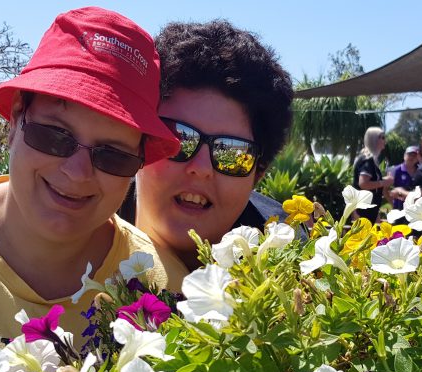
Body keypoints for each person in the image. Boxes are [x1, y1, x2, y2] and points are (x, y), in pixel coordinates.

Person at [0, 7, 189, 342]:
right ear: (16, 120)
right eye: (54, 136)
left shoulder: (164, 292)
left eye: (113, 156)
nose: (77, 173)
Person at [118, 20, 293, 271]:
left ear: (258, 175)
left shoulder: (287, 264)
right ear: (139, 141)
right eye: (179, 138)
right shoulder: (83, 224)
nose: (200, 168)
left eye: (231, 152)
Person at [352, 127, 393, 223]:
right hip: (363, 212)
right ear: (373, 139)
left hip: (369, 210)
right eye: (381, 137)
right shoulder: (368, 159)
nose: (384, 140)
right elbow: (363, 184)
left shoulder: (371, 159)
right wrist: (383, 182)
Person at [389, 146, 419, 210]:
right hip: (399, 207)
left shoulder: (420, 171)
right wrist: (392, 203)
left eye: (414, 155)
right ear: (404, 155)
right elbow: (386, 188)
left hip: (415, 208)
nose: (411, 157)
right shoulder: (395, 170)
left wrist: (400, 191)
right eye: (409, 154)